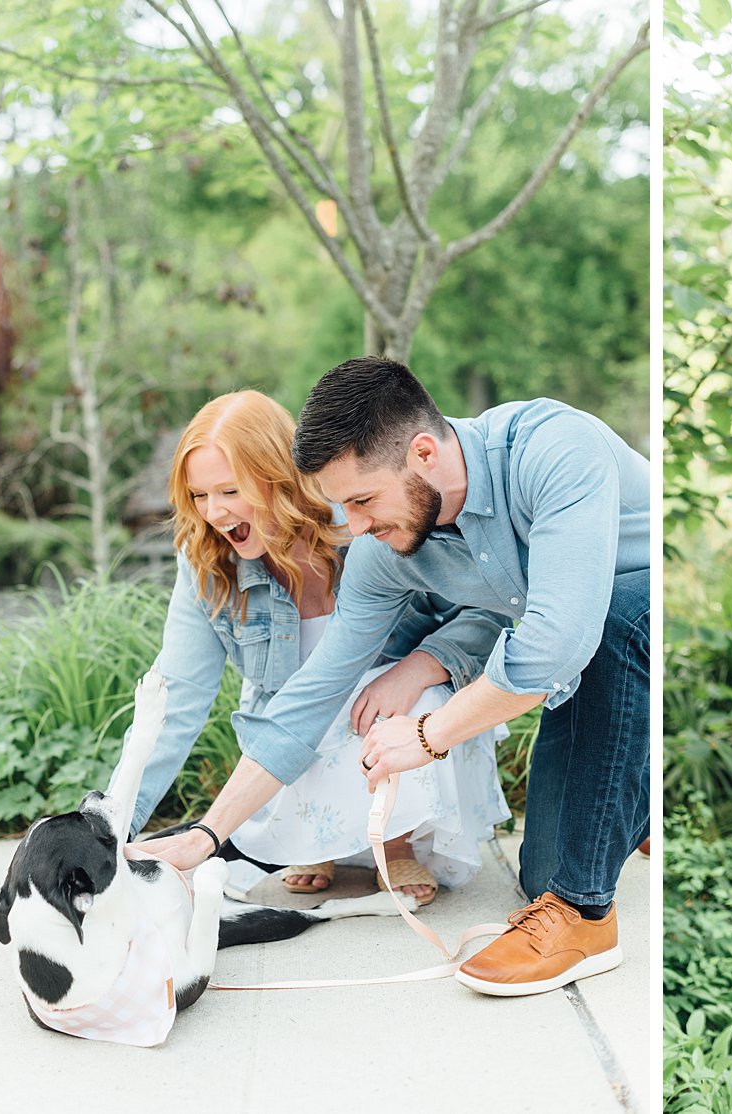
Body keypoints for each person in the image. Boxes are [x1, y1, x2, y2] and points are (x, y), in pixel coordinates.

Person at [140, 358, 650, 997]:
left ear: (425, 452)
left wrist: (430, 733)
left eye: (360, 501)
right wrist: (207, 836)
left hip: (648, 613)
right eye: (341, 506)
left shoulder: (553, 450)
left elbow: (554, 648)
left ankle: (584, 917)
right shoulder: (384, 549)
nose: (352, 529)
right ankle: (633, 797)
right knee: (539, 872)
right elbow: (313, 693)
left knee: (616, 613)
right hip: (595, 654)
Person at [123, 391, 511, 905]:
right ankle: (313, 838)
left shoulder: (366, 519)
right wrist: (115, 820)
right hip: (295, 729)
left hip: (390, 715)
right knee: (288, 715)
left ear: (277, 477)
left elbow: (488, 608)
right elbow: (176, 698)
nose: (214, 513)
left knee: (395, 699)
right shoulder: (205, 563)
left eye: (230, 491)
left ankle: (395, 842)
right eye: (198, 496)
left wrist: (423, 665)